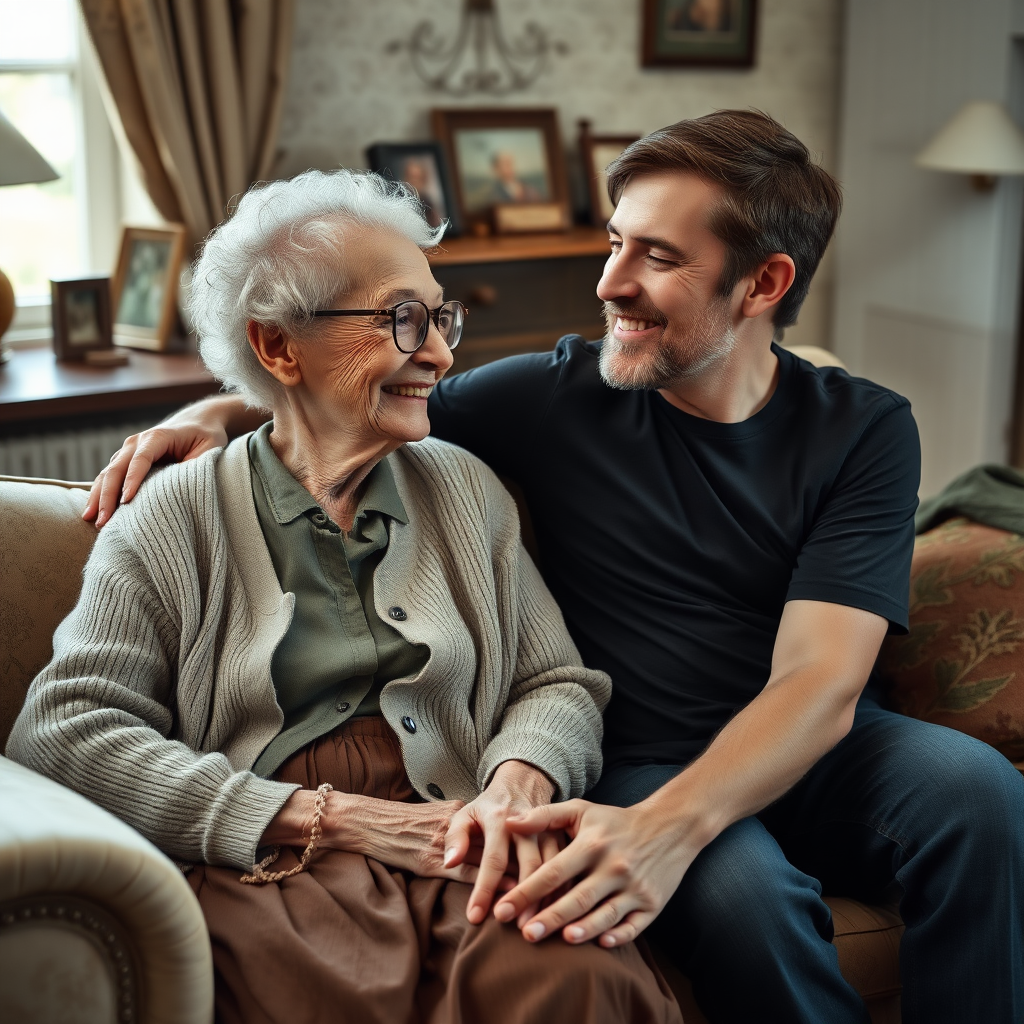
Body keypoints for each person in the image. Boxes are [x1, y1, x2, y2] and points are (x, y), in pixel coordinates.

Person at [82, 111, 1024, 1023]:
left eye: (656, 256)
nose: (610, 282)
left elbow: (820, 683)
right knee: (747, 902)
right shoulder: (554, 394)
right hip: (638, 755)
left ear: (763, 282)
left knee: (983, 795)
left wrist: (666, 831)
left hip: (810, 742)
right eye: (615, 242)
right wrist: (208, 415)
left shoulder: (864, 426)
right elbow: (348, 395)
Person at [7, 170, 683, 1024]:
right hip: (273, 861)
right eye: (403, 319)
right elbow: (64, 731)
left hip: (462, 837)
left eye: (442, 318)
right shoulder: (175, 517)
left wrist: (519, 780)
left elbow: (557, 683)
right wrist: (331, 817)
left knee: (582, 981)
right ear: (279, 348)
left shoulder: (466, 491)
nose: (439, 352)